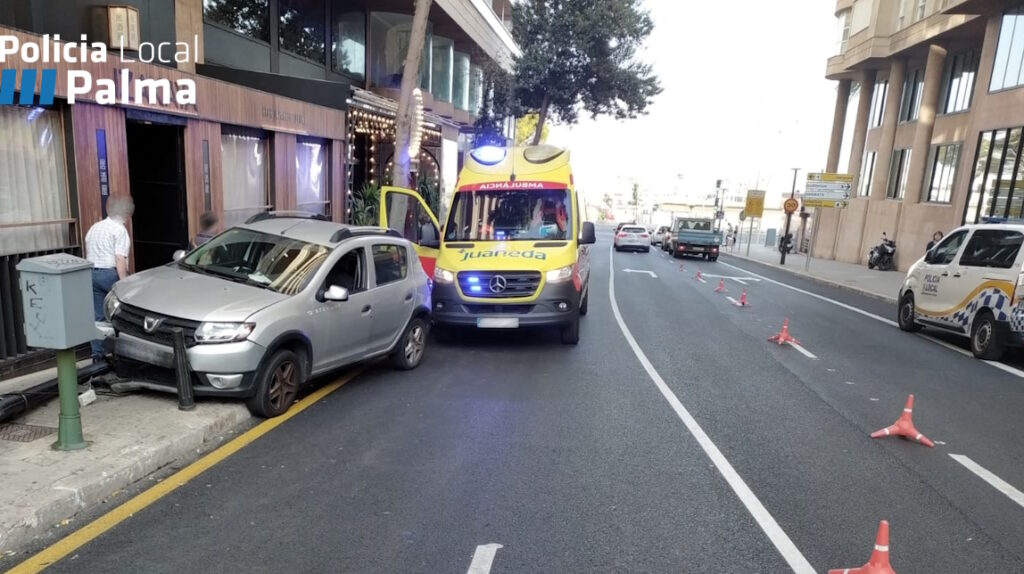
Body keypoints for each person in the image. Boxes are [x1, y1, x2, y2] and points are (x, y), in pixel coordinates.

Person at [85, 196, 134, 362]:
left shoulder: (95, 227)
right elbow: (120, 258)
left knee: (97, 317)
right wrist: (124, 282)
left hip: (91, 273)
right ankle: (123, 352)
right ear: (126, 214)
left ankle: (97, 354)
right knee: (123, 313)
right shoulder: (119, 230)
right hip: (109, 274)